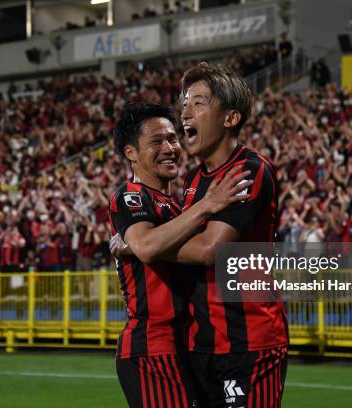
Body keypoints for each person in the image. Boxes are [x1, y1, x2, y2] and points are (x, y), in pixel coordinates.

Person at [113, 63, 288, 407]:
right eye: (184, 103)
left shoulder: (248, 170)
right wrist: (147, 242)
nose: (185, 112)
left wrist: (141, 246)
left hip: (248, 342)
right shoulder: (194, 185)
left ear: (230, 118)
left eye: (198, 103)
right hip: (200, 344)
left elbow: (210, 250)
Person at [109, 101, 251, 408]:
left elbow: (194, 250)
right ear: (131, 153)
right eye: (156, 141)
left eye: (173, 138)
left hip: (184, 345)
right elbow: (147, 246)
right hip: (151, 347)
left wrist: (136, 244)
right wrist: (206, 205)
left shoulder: (176, 208)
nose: (170, 147)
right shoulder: (131, 195)